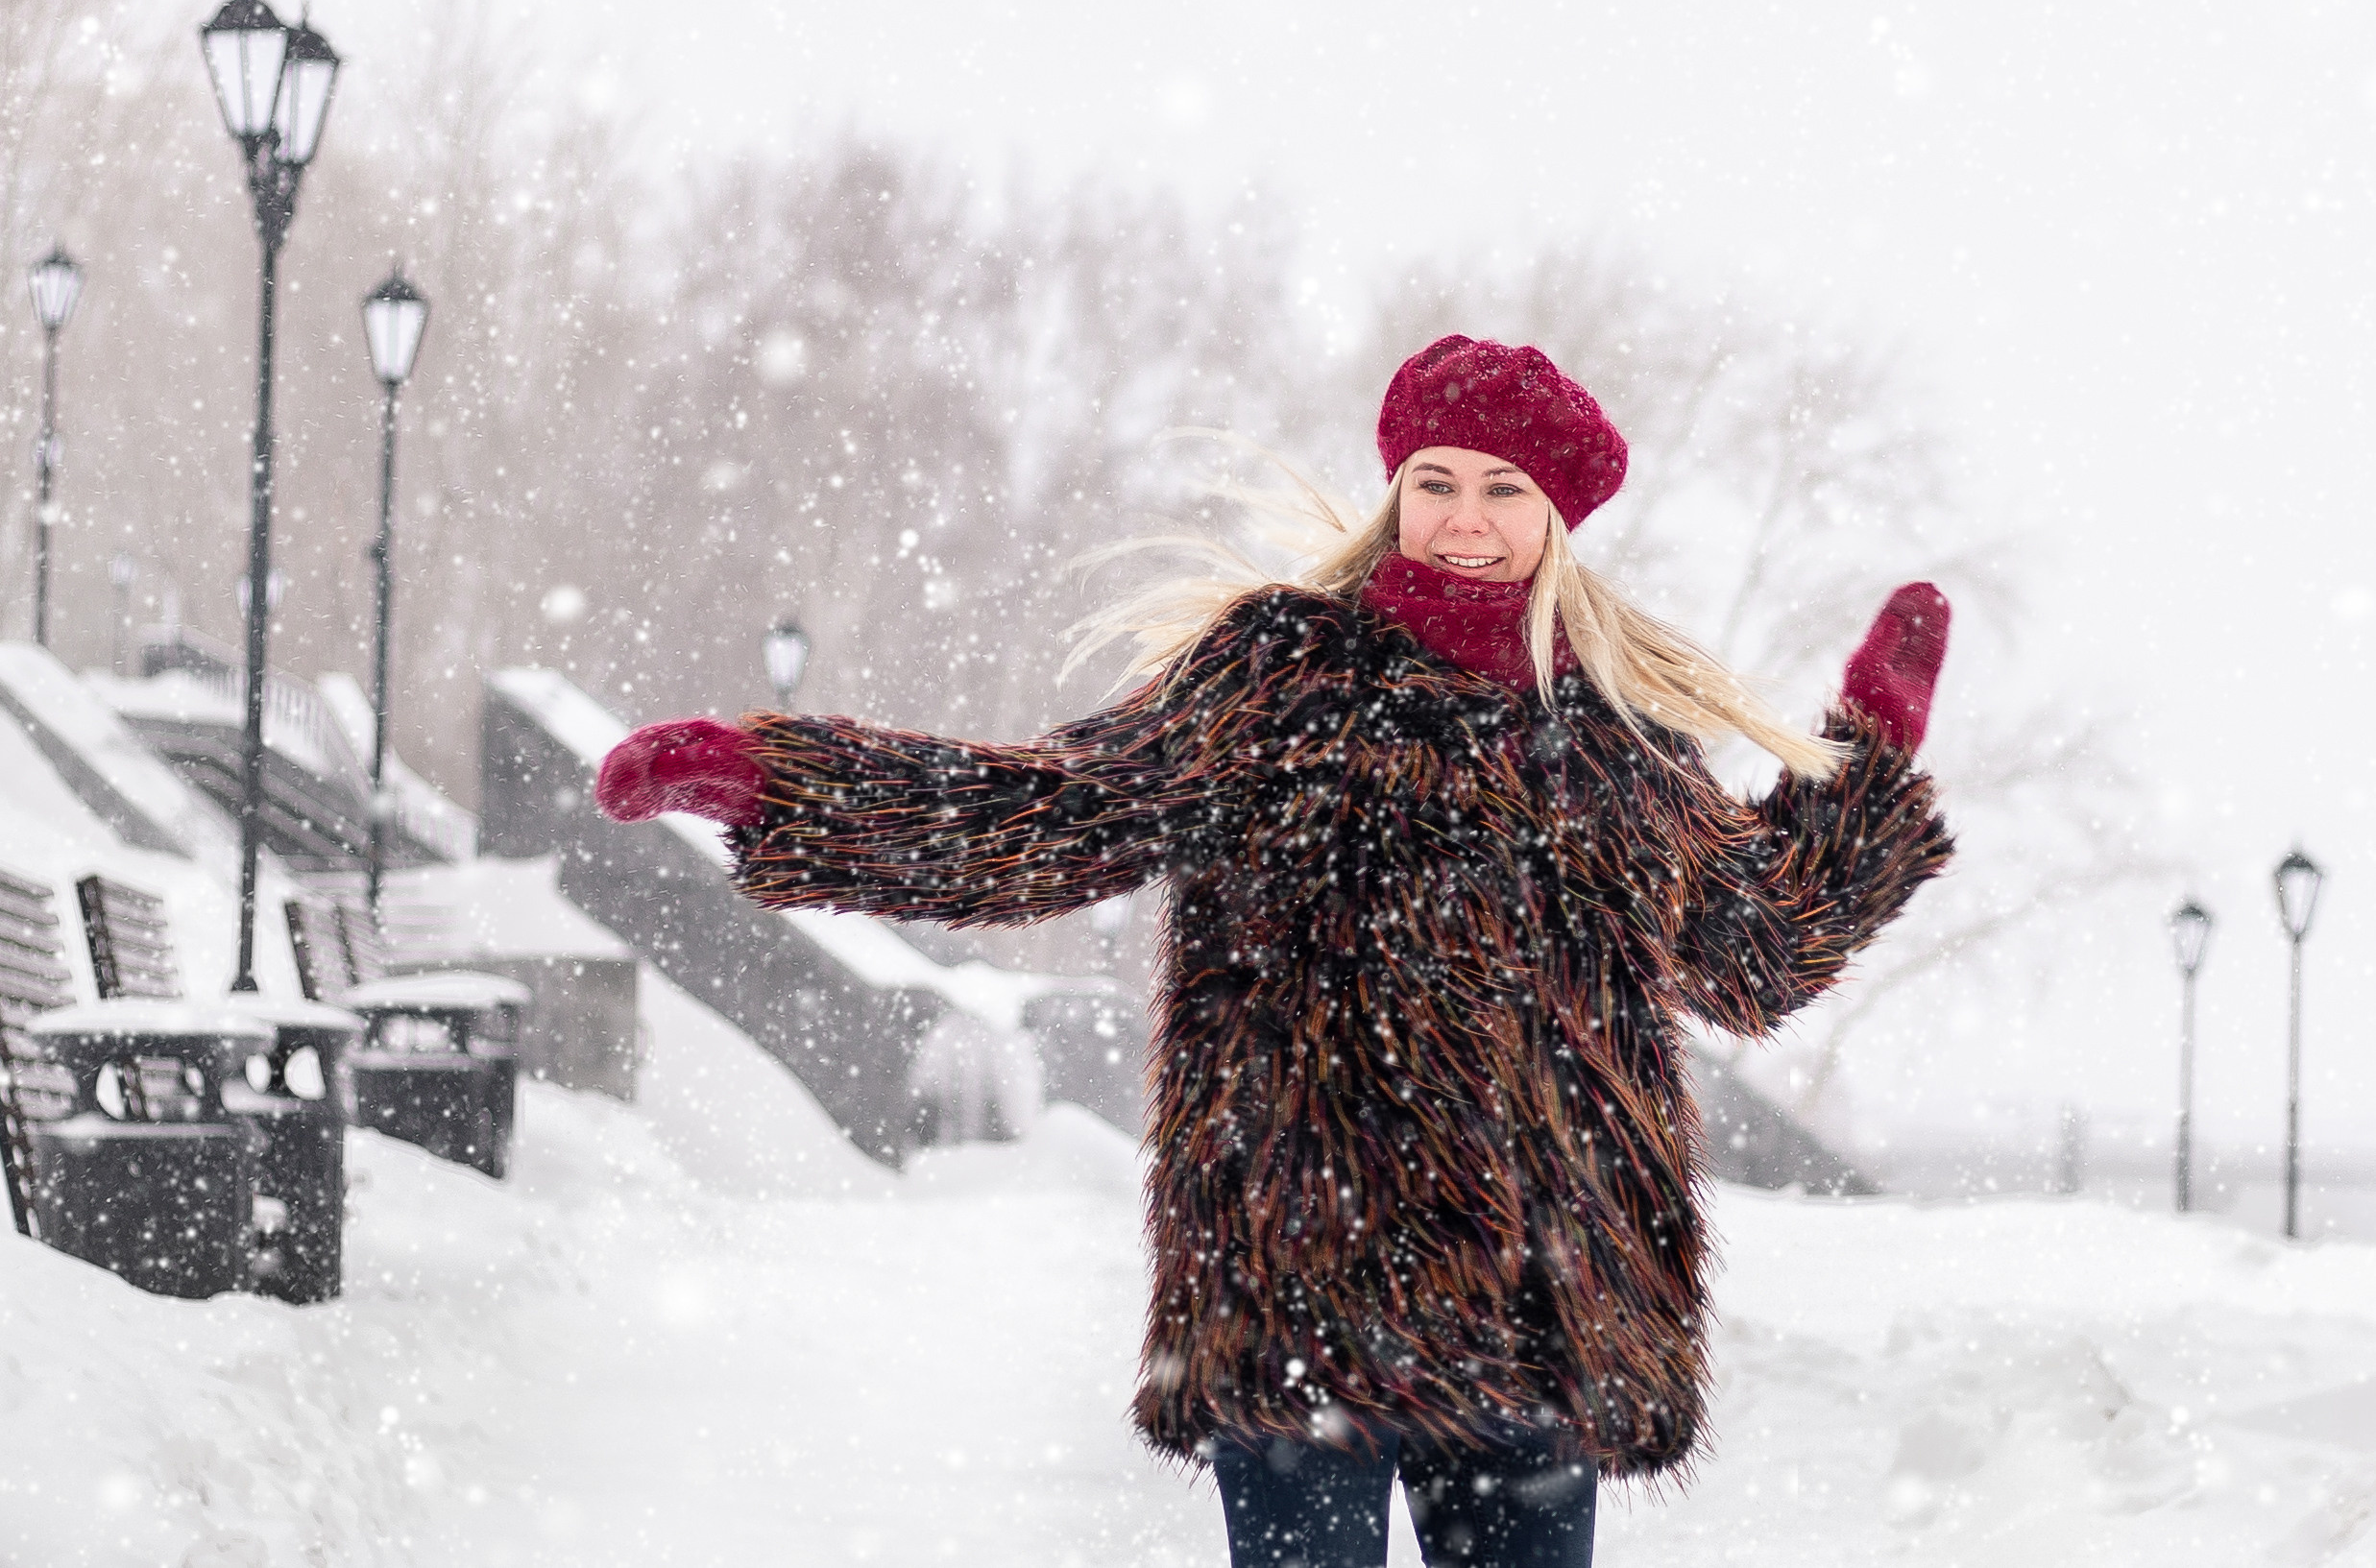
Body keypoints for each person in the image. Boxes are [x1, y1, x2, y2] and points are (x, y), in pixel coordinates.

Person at [596, 335, 1953, 1567]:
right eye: (1436, 482)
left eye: (1502, 492)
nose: (1465, 522)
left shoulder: (1612, 744)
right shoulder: (1276, 678)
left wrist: (1870, 747)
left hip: (1546, 1288)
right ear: (1392, 493)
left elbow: (1763, 944)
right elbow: (1062, 812)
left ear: (1554, 523)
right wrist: (780, 784)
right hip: (1304, 1259)